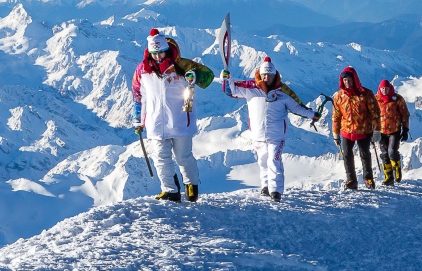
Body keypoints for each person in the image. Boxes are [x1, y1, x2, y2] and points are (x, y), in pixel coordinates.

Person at [222, 56, 320, 202]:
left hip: (277, 135)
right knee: (262, 161)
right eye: (264, 74)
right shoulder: (251, 90)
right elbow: (232, 91)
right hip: (258, 134)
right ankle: (265, 186)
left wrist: (312, 115)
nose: (267, 77)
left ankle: (276, 191)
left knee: (274, 160)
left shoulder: (282, 94)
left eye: (270, 75)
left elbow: (297, 108)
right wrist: (226, 78)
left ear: (275, 75)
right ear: (260, 75)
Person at [132, 28, 214, 202]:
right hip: (155, 122)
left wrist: (194, 76)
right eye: (155, 54)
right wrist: (138, 120)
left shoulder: (180, 66)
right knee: (161, 158)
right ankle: (170, 190)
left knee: (183, 157)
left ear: (166, 50)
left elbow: (207, 77)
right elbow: (138, 95)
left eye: (161, 53)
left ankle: (191, 184)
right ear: (149, 52)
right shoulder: (142, 70)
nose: (158, 57)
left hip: (180, 120)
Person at [331, 67, 380, 189]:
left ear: (355, 79)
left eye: (349, 79)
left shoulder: (366, 94)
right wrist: (335, 133)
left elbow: (375, 113)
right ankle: (351, 180)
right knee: (347, 155)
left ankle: (368, 179)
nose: (347, 82)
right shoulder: (339, 96)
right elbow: (336, 115)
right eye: (345, 80)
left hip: (364, 129)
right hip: (346, 130)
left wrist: (377, 130)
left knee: (365, 154)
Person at [375, 79, 411, 186]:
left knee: (391, 151)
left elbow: (405, 114)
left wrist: (405, 129)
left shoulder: (398, 99)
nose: (385, 91)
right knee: (384, 153)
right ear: (380, 89)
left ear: (390, 88)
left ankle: (397, 168)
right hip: (380, 131)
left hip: (394, 130)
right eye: (383, 89)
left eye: (386, 89)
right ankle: (388, 177)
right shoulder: (376, 100)